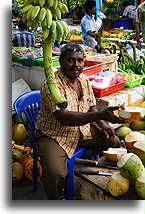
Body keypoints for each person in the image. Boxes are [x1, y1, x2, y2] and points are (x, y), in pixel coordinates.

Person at [34, 43, 126, 200]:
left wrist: (103, 123)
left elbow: (90, 104)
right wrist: (101, 116)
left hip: (80, 130)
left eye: (80, 60)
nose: (76, 65)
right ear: (61, 61)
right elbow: (64, 117)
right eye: (70, 60)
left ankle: (109, 182)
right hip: (54, 135)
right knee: (57, 174)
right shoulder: (51, 85)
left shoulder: (83, 79)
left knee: (114, 141)